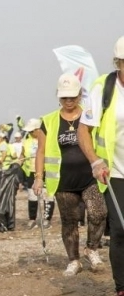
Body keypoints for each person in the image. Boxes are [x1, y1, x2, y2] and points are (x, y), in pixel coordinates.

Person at [34, 74, 106, 276]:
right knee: (69, 221)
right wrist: (39, 177)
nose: (68, 101)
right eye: (64, 97)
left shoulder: (90, 116)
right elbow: (40, 151)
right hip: (63, 180)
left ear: (79, 95)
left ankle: (91, 248)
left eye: (72, 97)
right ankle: (74, 260)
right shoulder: (47, 121)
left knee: (98, 213)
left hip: (91, 177)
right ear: (58, 96)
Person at [78, 35, 124, 296]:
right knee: (120, 230)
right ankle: (122, 290)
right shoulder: (103, 89)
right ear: (119, 63)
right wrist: (95, 160)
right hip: (115, 172)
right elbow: (85, 129)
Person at [21, 118, 42, 229]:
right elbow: (23, 154)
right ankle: (32, 219)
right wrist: (20, 160)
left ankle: (47, 219)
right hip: (31, 171)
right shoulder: (26, 141)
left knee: (48, 196)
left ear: (38, 130)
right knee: (32, 196)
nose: (29, 133)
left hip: (45, 171)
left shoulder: (46, 140)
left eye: (31, 131)